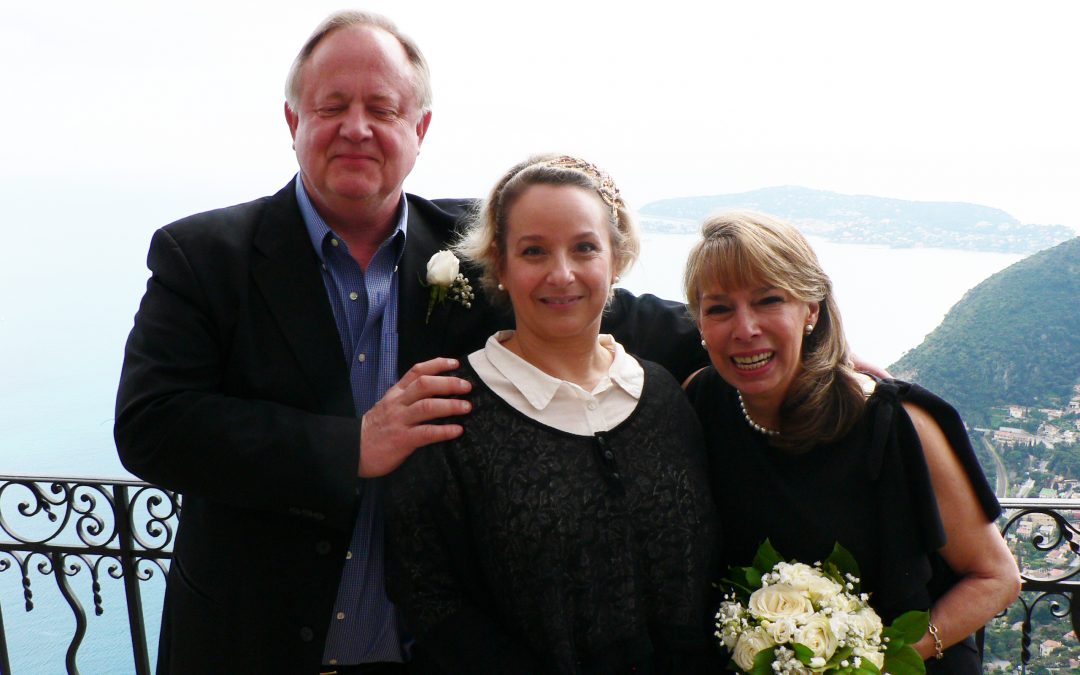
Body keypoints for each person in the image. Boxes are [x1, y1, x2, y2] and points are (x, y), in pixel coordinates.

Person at [113, 11, 705, 675]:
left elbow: (600, 307)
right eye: (332, 105)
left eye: (383, 108)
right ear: (293, 122)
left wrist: (801, 337)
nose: (357, 127)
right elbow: (152, 425)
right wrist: (352, 446)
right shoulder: (204, 256)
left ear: (419, 128)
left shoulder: (469, 246)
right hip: (252, 645)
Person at [384, 155, 718, 674]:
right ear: (500, 264)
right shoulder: (450, 413)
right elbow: (429, 599)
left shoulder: (664, 398)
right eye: (534, 251)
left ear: (616, 257)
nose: (561, 274)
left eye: (584, 247)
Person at [681, 211, 1021, 673]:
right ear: (700, 323)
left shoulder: (898, 425)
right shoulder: (701, 404)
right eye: (719, 309)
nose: (745, 329)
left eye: (769, 300)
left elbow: (996, 577)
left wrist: (867, 661)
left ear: (811, 311)